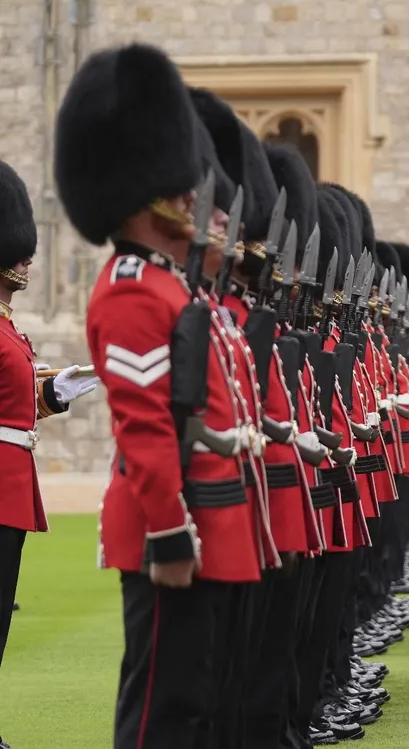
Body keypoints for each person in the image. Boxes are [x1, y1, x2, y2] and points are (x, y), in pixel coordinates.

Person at [58, 43, 274, 748]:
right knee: (162, 710)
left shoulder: (170, 284)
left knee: (196, 701)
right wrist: (169, 532)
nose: (193, 197)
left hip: (209, 516)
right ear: (142, 190)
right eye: (181, 187)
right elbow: (145, 426)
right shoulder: (129, 290)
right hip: (171, 523)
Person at [0, 161, 101, 749]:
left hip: (13, 483)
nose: (26, 261)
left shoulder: (9, 326)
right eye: (17, 253)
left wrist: (54, 391)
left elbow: (13, 398)